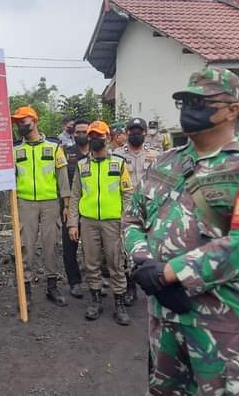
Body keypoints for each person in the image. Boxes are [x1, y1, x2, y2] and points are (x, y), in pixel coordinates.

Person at [124, 67, 239, 394]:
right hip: (165, 316)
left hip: (223, 326)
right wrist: (144, 264)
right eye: (185, 101)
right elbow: (132, 219)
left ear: (232, 110)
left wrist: (170, 272)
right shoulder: (166, 162)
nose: (190, 109)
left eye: (201, 102)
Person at [68, 120, 133, 325]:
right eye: (92, 135)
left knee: (116, 263)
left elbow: (128, 195)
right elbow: (75, 195)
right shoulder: (81, 165)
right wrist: (72, 223)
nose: (95, 138)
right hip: (88, 222)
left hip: (113, 222)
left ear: (108, 136)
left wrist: (126, 221)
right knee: (92, 263)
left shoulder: (119, 163)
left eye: (100, 135)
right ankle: (95, 301)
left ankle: (119, 304)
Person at [12, 106, 71, 309]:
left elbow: (63, 178)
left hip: (50, 204)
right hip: (25, 203)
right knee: (25, 246)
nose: (20, 124)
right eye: (18, 121)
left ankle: (52, 287)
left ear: (34, 121)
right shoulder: (15, 149)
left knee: (50, 245)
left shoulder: (54, 147)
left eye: (23, 120)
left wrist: (66, 204)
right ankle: (25, 290)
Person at [112, 117, 161, 307]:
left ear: (145, 132)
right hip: (127, 207)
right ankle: (130, 287)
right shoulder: (116, 154)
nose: (135, 134)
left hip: (150, 207)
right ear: (126, 132)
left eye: (139, 130)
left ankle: (155, 285)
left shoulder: (155, 155)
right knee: (127, 248)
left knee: (153, 246)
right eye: (132, 130)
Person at [60, 119, 90, 299]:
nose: (81, 135)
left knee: (93, 246)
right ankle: (75, 282)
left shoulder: (97, 153)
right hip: (70, 207)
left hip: (90, 209)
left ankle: (96, 280)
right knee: (69, 247)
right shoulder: (66, 153)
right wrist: (64, 205)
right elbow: (62, 181)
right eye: (77, 132)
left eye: (84, 131)